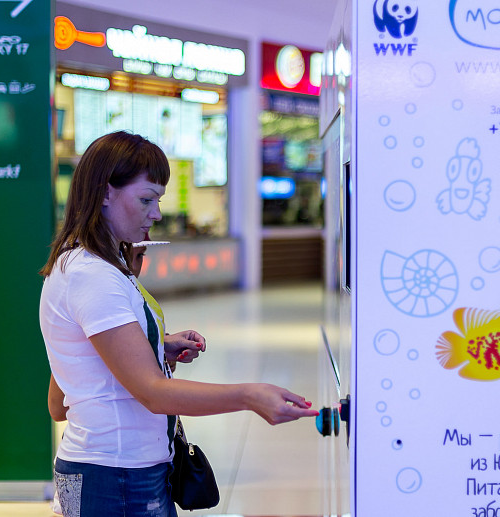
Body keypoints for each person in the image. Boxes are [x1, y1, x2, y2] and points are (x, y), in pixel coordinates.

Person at [40, 131, 318, 517]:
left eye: (159, 200)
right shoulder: (93, 276)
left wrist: (153, 346)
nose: (156, 213)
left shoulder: (87, 265)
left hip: (112, 470)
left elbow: (65, 392)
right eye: (146, 199)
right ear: (104, 193)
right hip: (117, 478)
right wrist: (249, 396)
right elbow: (152, 393)